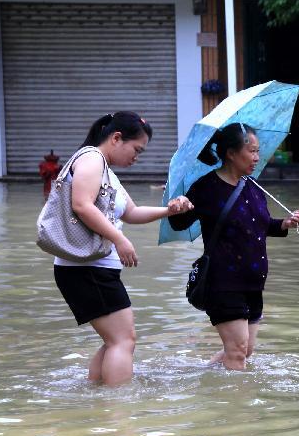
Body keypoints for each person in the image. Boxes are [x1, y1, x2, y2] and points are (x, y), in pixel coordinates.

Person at [53, 112, 194, 386]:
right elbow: (81, 205)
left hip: (91, 268)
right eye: (137, 149)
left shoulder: (105, 169)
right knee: (123, 340)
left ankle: (96, 395)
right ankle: (117, 410)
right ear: (117, 138)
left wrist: (169, 209)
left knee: (115, 341)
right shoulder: (92, 159)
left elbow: (131, 212)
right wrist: (119, 240)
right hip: (87, 269)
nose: (137, 157)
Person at [168, 123, 299, 371]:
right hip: (223, 282)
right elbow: (179, 223)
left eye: (257, 151)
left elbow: (259, 226)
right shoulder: (206, 188)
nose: (256, 157)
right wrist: (178, 204)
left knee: (245, 349)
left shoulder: (253, 187)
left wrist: (284, 223)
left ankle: (201, 375)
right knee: (238, 351)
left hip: (253, 282)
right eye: (251, 151)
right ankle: (237, 405)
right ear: (231, 153)